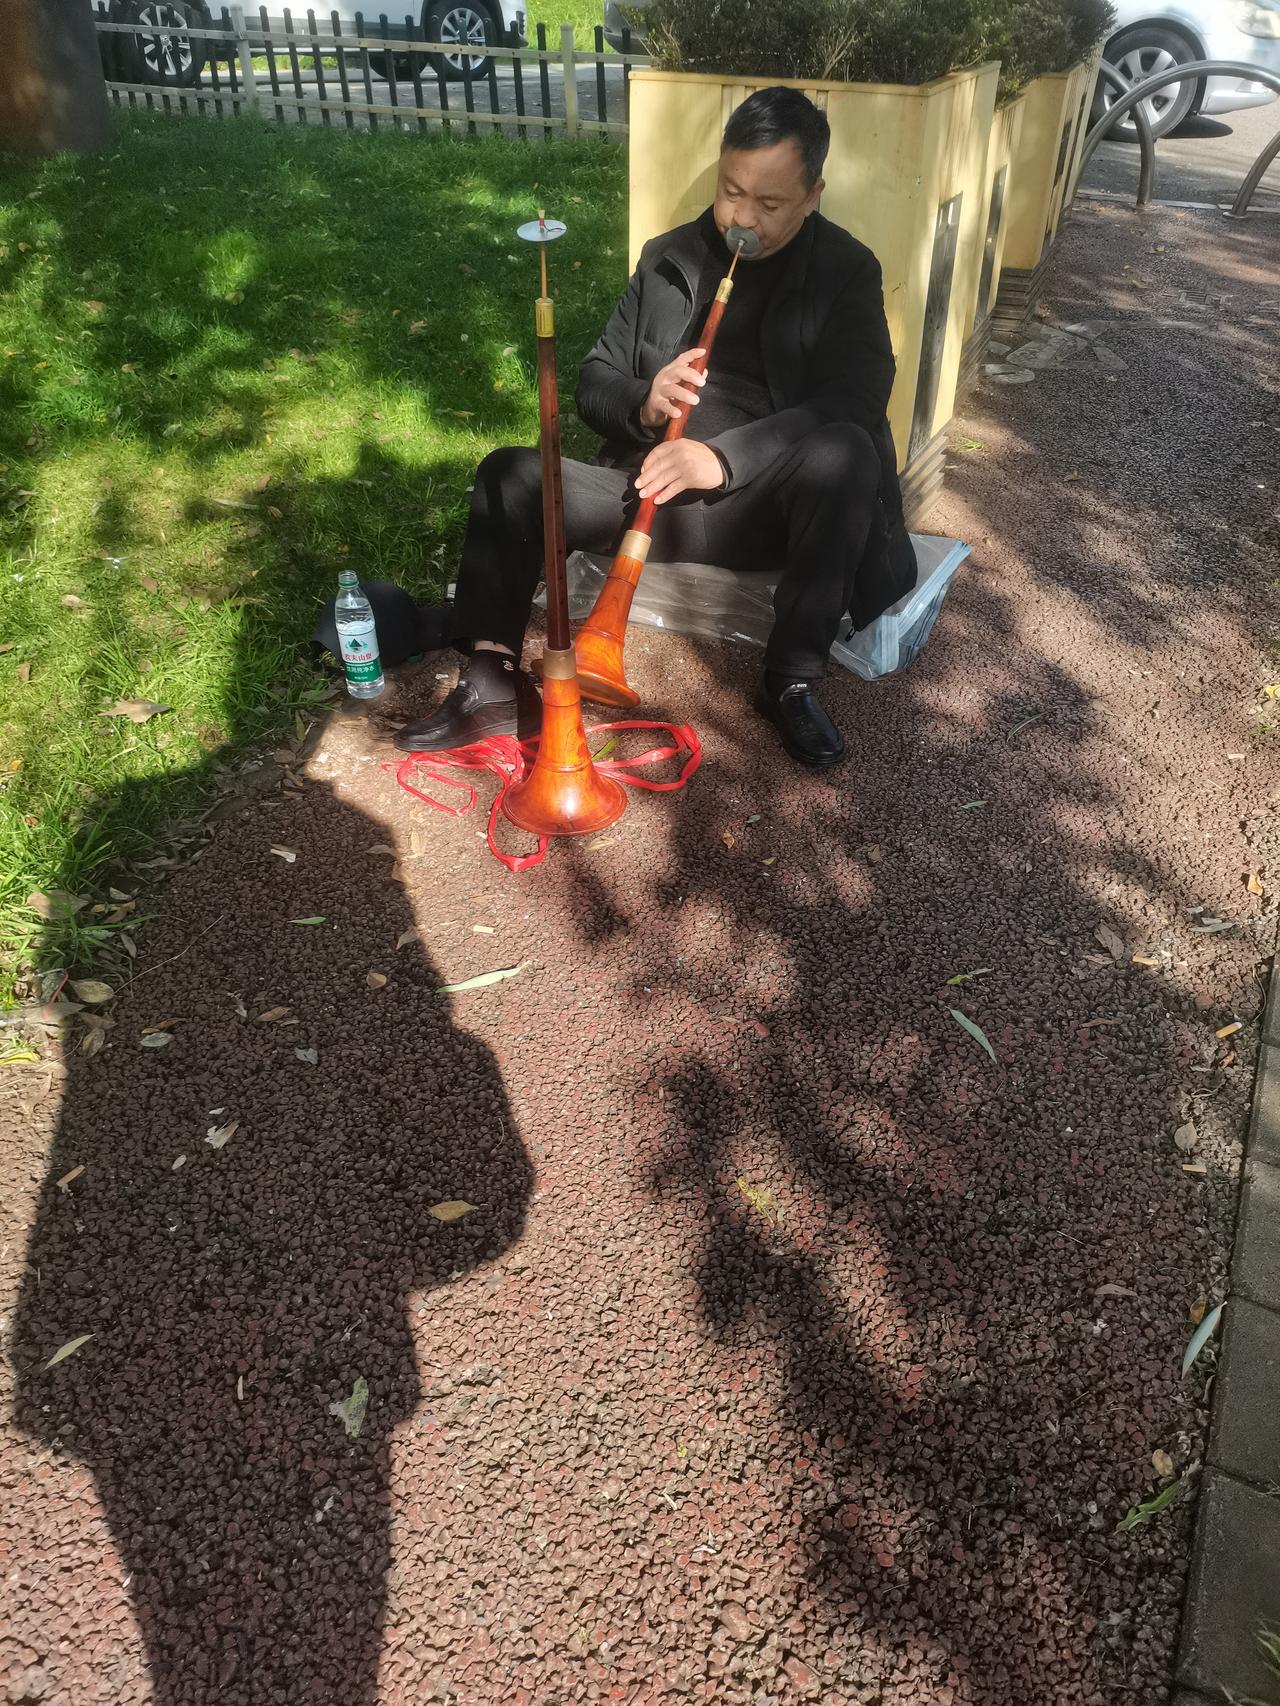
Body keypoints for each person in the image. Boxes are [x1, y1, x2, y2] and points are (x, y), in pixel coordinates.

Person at [397, 85, 916, 768]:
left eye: (769, 205)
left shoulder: (847, 270)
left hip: (766, 509)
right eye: (731, 192)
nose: (743, 219)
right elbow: (594, 380)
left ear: (813, 195)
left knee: (846, 452)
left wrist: (722, 460)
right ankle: (492, 677)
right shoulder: (668, 256)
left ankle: (790, 680)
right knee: (510, 473)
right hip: (647, 495)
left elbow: (855, 398)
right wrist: (644, 400)